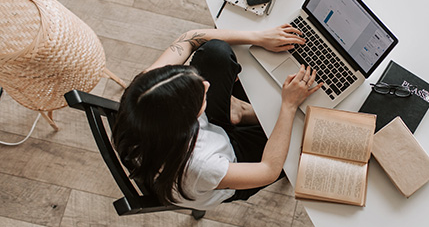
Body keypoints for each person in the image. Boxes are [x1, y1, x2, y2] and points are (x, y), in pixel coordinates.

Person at [112, 24, 322, 210]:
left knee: (215, 51)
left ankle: (237, 112)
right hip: (230, 163)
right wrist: (288, 105)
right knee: (305, 137)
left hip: (199, 139)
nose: (206, 84)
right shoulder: (202, 167)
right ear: (187, 121)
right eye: (200, 96)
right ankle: (240, 112)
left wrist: (258, 37)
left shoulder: (145, 92)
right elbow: (268, 170)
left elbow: (189, 38)